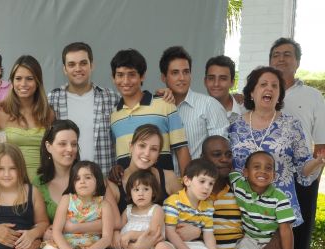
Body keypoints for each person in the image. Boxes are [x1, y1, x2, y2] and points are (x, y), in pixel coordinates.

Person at [228, 66, 323, 236]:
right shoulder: (234, 125)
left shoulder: (291, 125)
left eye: (274, 86)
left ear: (279, 95)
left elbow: (303, 170)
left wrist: (317, 162)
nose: (269, 89)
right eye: (263, 84)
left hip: (279, 215)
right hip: (240, 211)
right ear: (251, 92)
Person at [270, 37, 325, 249]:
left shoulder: (312, 96)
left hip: (302, 177)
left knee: (298, 238)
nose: (281, 59)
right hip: (266, 175)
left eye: (287, 54)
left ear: (298, 62)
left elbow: (321, 143)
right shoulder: (261, 90)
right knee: (264, 235)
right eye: (276, 55)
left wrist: (312, 176)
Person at [109, 49, 190, 181]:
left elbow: (181, 150)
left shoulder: (165, 105)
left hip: (163, 187)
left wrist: (188, 186)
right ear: (113, 78)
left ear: (142, 76)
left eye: (132, 74)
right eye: (120, 75)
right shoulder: (114, 115)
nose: (126, 81)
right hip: (128, 189)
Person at [48, 42, 120, 171]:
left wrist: (161, 94)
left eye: (83, 63)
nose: (78, 69)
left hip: (103, 177)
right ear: (64, 69)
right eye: (71, 64)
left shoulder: (111, 98)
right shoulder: (52, 100)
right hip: (66, 177)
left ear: (91, 65)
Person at [0, 55, 55, 180]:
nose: (23, 84)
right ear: (12, 82)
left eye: (29, 79)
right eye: (18, 78)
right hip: (11, 182)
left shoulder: (48, 114)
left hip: (44, 182)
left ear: (38, 82)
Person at [159, 46, 229, 160]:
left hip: (199, 171)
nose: (182, 78)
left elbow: (220, 154)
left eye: (186, 72)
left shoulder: (209, 105)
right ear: (163, 77)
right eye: (175, 73)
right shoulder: (157, 106)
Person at [204, 55, 244, 122]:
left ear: (232, 82)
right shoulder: (196, 111)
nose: (216, 84)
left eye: (223, 79)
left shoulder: (247, 111)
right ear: (205, 81)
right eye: (211, 78)